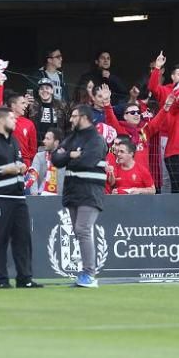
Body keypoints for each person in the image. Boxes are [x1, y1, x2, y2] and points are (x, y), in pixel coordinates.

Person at [0, 107, 42, 289]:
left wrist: (21, 168)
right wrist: (6, 170)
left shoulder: (13, 142)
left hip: (18, 197)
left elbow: (18, 163)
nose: (15, 121)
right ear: (1, 121)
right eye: (12, 118)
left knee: (23, 237)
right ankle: (1, 278)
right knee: (0, 239)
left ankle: (25, 277)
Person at [52, 104, 109, 288]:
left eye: (74, 116)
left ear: (84, 117)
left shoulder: (97, 139)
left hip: (91, 191)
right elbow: (56, 159)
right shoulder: (71, 138)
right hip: (73, 191)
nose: (71, 119)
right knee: (78, 231)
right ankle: (85, 272)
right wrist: (71, 155)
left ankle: (89, 274)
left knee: (83, 229)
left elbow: (88, 160)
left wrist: (70, 158)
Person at [6, 92, 38, 174]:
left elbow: (33, 149)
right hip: (6, 162)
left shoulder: (29, 124)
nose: (26, 105)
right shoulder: (3, 120)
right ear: (13, 105)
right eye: (23, 103)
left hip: (25, 165)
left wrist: (28, 165)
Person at [29, 79, 68, 144]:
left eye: (47, 88)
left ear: (52, 91)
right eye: (41, 89)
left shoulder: (61, 105)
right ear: (38, 92)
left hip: (56, 145)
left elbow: (68, 126)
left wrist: (64, 143)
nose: (44, 90)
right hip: (36, 145)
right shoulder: (32, 105)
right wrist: (24, 102)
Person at [28, 128, 65, 196]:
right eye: (45, 138)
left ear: (56, 142)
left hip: (59, 197)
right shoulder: (39, 156)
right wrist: (34, 194)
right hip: (40, 195)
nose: (44, 141)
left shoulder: (65, 157)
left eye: (48, 139)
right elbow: (33, 176)